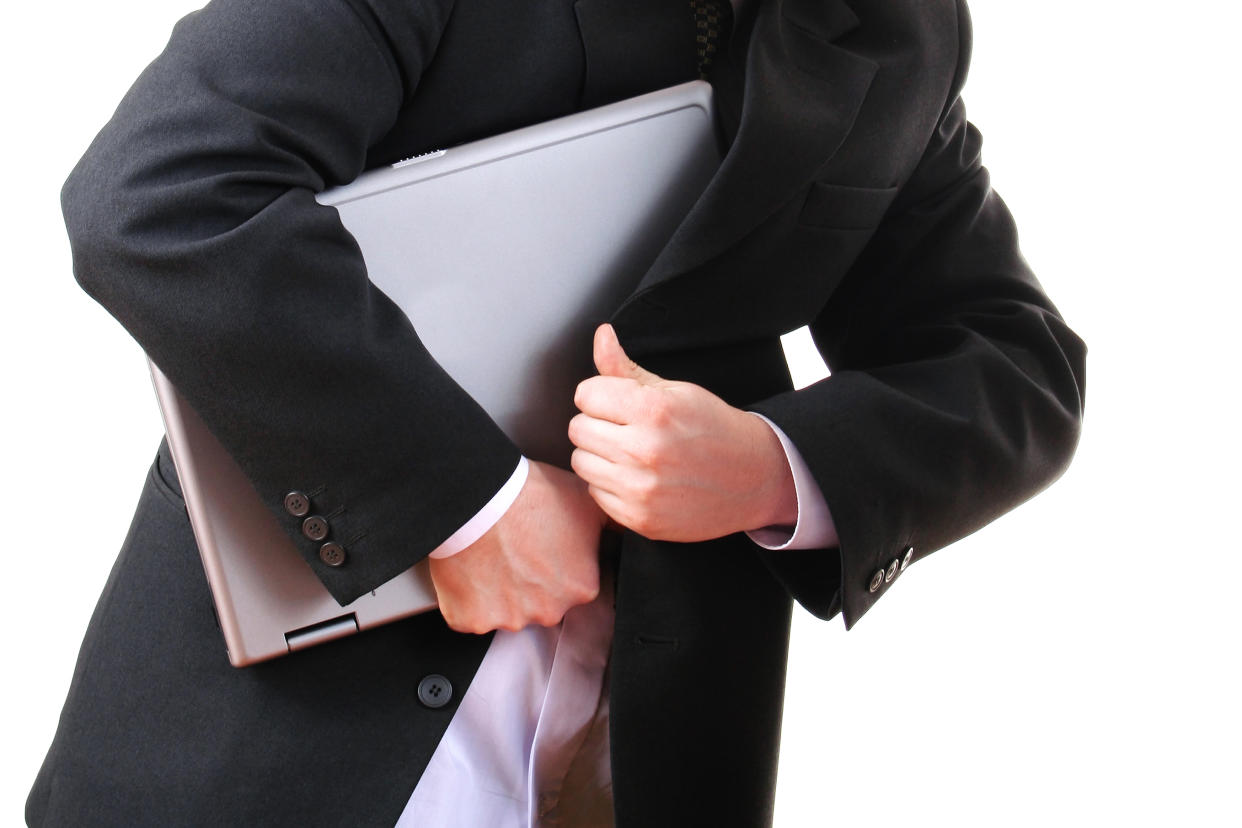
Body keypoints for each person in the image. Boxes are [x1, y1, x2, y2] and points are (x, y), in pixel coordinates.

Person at [27, 0, 1086, 825]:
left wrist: (769, 465)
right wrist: (467, 503)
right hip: (259, 756)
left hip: (649, 764)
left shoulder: (900, 28)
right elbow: (158, 190)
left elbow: (1013, 357)